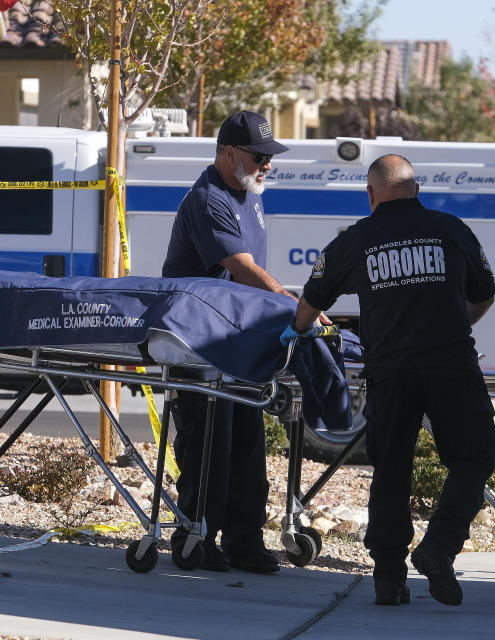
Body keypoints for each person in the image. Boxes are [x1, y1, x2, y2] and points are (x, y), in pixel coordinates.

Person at [282, 154, 495, 606]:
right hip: (451, 365)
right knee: (473, 456)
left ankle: (388, 577)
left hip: (390, 371)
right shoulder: (451, 229)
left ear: (371, 195)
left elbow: (311, 297)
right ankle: (438, 547)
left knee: (392, 468)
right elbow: (484, 293)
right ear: (416, 190)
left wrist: (297, 332)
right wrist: (460, 322)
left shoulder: (357, 239)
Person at [163, 110, 294, 573]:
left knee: (246, 444)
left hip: (237, 345)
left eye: (268, 157)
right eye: (259, 156)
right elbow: (241, 268)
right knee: (206, 448)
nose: (267, 165)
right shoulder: (208, 199)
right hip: (200, 346)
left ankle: (244, 540)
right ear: (227, 153)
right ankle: (196, 536)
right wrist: (288, 303)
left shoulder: (249, 194)